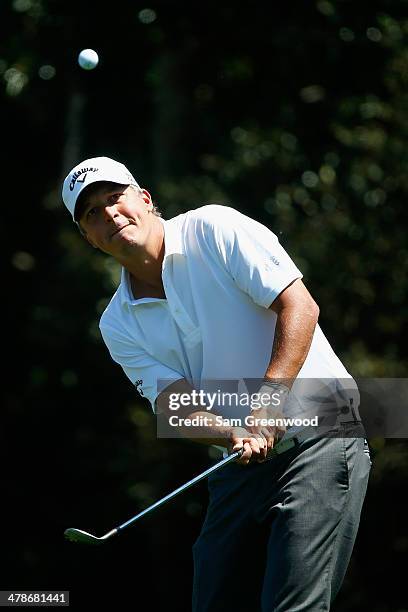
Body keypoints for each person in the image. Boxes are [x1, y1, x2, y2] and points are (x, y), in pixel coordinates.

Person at [62, 156, 371, 611]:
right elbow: (172, 405)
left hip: (323, 434)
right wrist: (231, 433)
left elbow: (300, 307)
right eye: (92, 213)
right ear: (88, 238)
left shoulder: (214, 228)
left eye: (114, 198)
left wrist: (269, 402)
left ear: (145, 200)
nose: (109, 213)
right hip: (239, 466)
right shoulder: (117, 323)